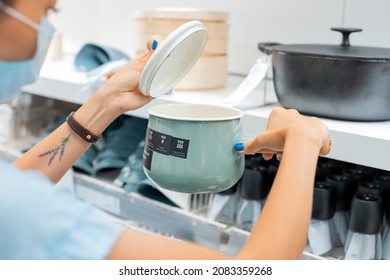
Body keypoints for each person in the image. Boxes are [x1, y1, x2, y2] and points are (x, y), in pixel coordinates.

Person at [0, 0, 331, 260]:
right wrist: (303, 140)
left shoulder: (15, 201)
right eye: (46, 10)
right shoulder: (26, 213)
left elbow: (17, 186)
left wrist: (108, 102)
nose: (46, 29)